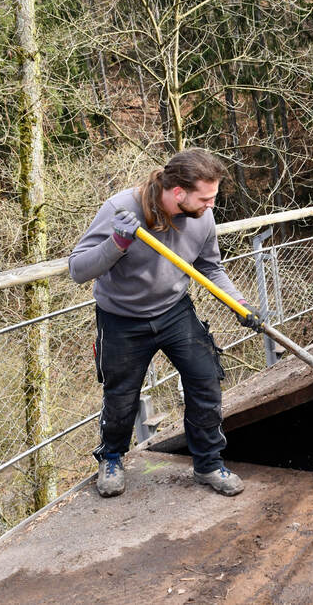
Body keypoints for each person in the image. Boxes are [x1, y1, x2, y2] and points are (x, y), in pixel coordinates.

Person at [69, 148, 256, 498]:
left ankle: (208, 463)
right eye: (206, 198)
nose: (210, 205)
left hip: (173, 310)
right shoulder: (120, 209)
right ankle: (111, 457)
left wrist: (240, 303)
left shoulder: (202, 217)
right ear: (178, 193)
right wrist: (118, 242)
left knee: (205, 379)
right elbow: (78, 270)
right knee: (121, 396)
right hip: (122, 318)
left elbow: (210, 267)